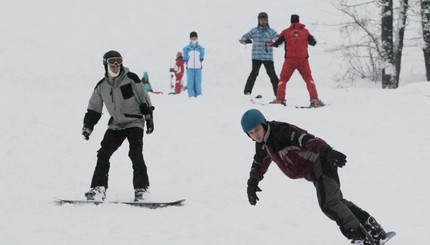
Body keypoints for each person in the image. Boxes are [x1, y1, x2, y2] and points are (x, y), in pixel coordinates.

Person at [240, 108, 387, 245]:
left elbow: (306, 139)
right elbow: (259, 162)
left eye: (257, 130)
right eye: (251, 133)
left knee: (329, 204)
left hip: (322, 162)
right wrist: (252, 183)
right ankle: (373, 230)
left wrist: (326, 151)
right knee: (336, 202)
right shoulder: (263, 144)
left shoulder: (281, 132)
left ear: (264, 124)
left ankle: (359, 237)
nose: (256, 135)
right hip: (314, 171)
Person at [82, 50, 155, 202]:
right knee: (103, 153)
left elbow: (144, 99)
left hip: (134, 122)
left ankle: (142, 189)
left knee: (135, 153)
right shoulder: (101, 86)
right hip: (116, 124)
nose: (115, 66)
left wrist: (149, 118)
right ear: (105, 65)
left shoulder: (131, 79)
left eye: (118, 62)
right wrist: (88, 126)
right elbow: (94, 108)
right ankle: (98, 188)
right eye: (112, 63)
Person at [268, 14, 324, 107]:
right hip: (303, 60)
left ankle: (280, 99)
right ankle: (314, 99)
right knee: (308, 79)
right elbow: (313, 42)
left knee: (283, 79)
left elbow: (274, 42)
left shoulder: (285, 32)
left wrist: (268, 42)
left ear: (291, 21)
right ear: (298, 21)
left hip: (289, 60)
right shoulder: (305, 31)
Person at [239, 12, 279, 97]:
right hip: (256, 57)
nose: (263, 21)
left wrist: (275, 43)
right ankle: (247, 92)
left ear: (267, 20)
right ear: (258, 20)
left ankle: (279, 94)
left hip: (268, 57)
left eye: (265, 20)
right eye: (261, 20)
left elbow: (279, 39)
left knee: (272, 75)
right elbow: (243, 38)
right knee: (254, 73)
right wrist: (247, 41)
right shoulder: (254, 31)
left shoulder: (271, 31)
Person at [183, 31, 205, 97]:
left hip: (198, 68)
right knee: (190, 83)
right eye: (192, 38)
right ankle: (191, 96)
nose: (194, 39)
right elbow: (185, 58)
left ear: (197, 38)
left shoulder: (201, 48)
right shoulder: (186, 49)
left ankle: (199, 96)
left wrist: (199, 63)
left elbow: (201, 57)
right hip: (190, 68)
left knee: (198, 83)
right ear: (190, 38)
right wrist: (188, 63)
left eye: (195, 38)